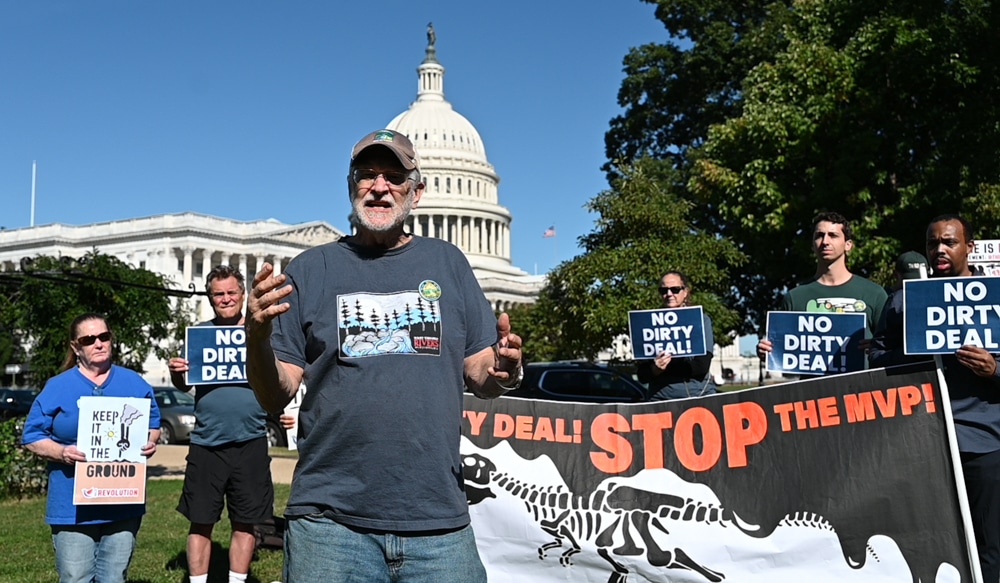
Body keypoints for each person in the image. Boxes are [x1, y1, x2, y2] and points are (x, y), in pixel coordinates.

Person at [244, 128, 523, 583]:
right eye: (367, 175)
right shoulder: (311, 269)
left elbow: (480, 373)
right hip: (329, 520)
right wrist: (256, 336)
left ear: (417, 190)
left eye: (394, 175)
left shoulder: (448, 262)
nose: (380, 186)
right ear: (351, 185)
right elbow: (276, 395)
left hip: (438, 520)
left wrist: (505, 370)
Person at [871, 214, 1000, 581]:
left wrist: (994, 369)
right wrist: (915, 355)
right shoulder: (902, 302)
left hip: (985, 444)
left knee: (990, 546)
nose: (939, 250)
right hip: (922, 443)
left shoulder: (996, 297)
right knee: (930, 547)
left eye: (949, 242)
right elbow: (877, 359)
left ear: (969, 247)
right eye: (932, 243)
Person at [22, 313, 161, 583]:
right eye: (89, 339)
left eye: (104, 336)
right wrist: (62, 453)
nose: (98, 343)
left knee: (114, 578)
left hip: (122, 502)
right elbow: (32, 436)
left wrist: (150, 441)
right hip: (72, 506)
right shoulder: (57, 387)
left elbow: (153, 423)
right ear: (76, 347)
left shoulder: (134, 383)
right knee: (75, 578)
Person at [167, 265, 273, 583]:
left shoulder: (261, 333)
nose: (225, 299)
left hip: (251, 439)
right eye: (218, 294)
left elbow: (277, 377)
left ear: (243, 294)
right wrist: (176, 371)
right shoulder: (200, 335)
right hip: (206, 442)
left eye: (231, 292)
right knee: (201, 521)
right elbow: (185, 385)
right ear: (210, 298)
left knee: (246, 521)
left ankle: (237, 580)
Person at [757, 211, 887, 365]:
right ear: (812, 244)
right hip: (812, 388)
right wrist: (766, 350)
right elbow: (782, 350)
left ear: (848, 245)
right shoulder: (795, 298)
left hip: (861, 387)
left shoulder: (874, 294)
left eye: (833, 235)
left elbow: (894, 344)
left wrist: (878, 347)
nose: (825, 241)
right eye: (819, 235)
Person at [637, 270, 717, 399]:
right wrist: (654, 369)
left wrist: (660, 369)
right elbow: (642, 375)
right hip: (660, 399)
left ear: (685, 292)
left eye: (675, 289)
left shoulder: (701, 320)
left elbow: (701, 367)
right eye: (664, 290)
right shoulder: (648, 323)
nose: (669, 294)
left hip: (698, 396)